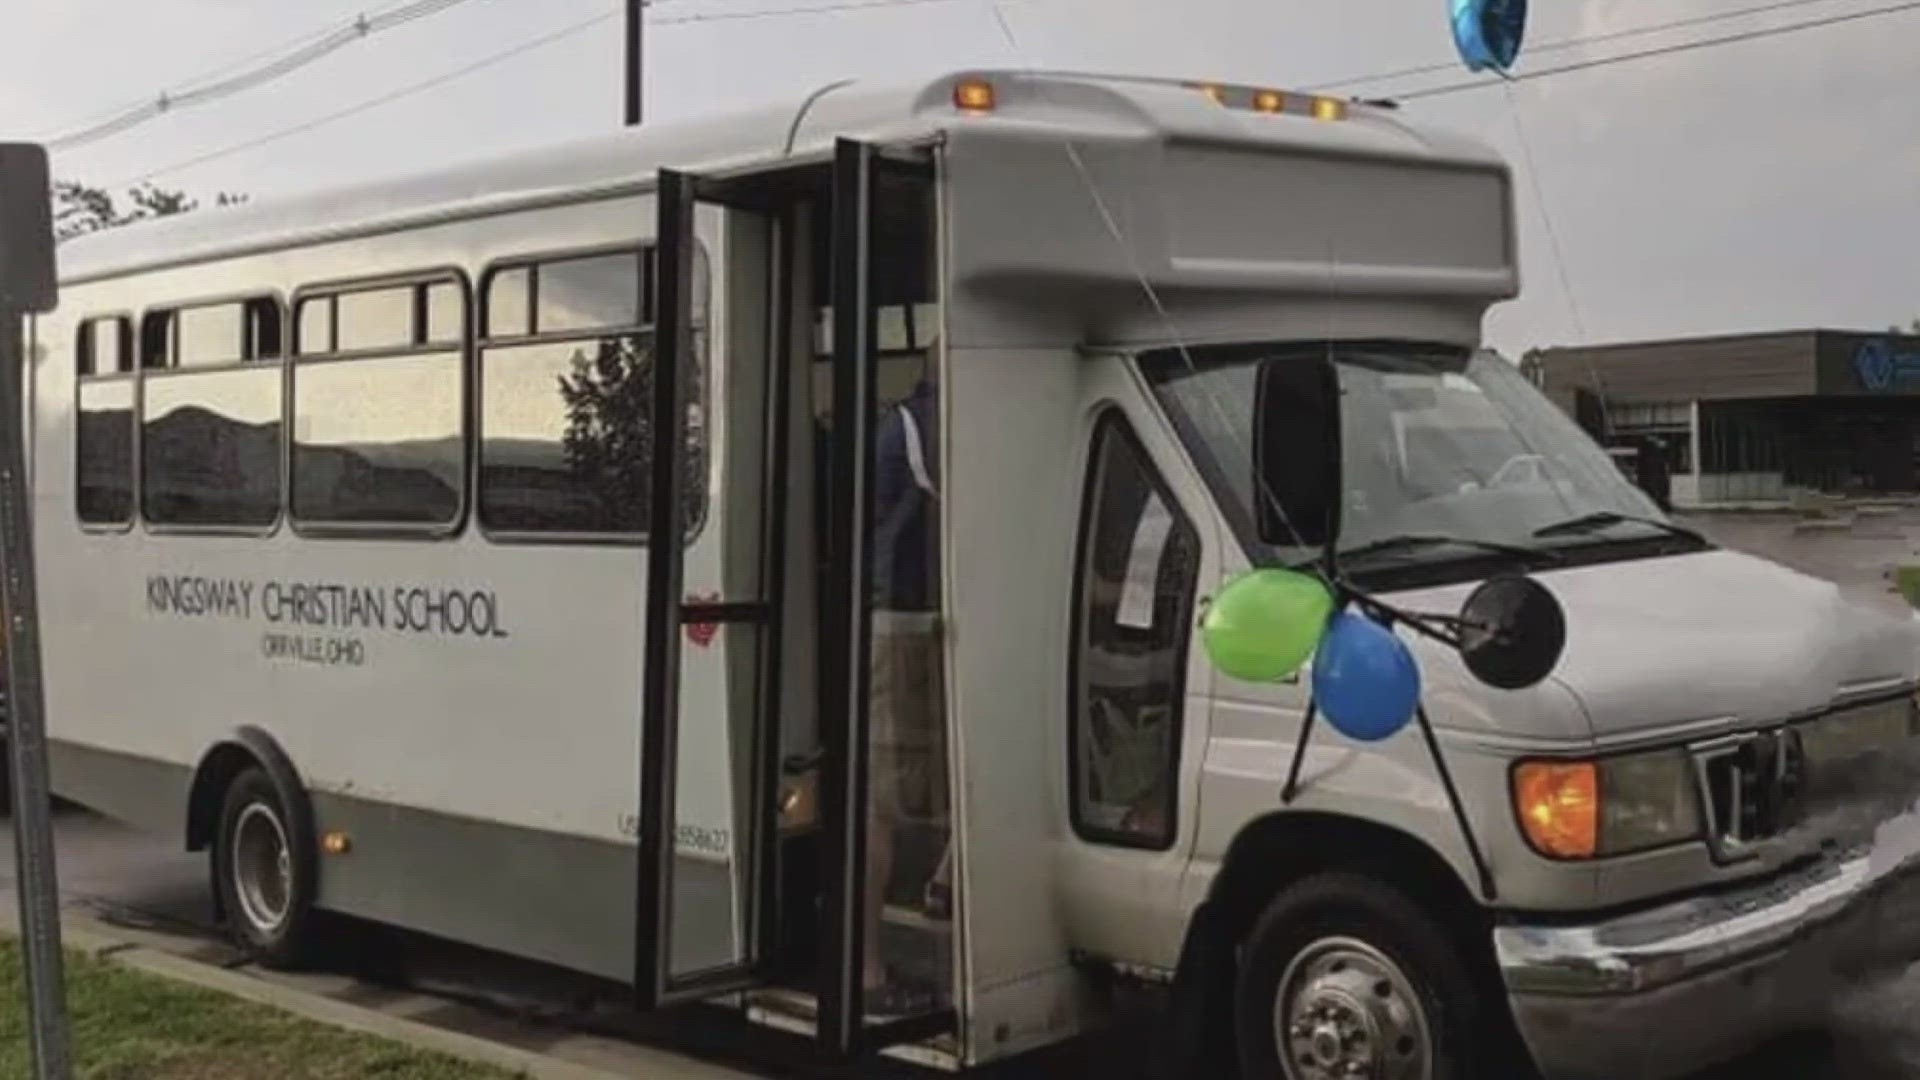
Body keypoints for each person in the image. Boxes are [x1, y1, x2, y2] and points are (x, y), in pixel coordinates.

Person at [865, 375, 951, 1010]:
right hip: (904, 620)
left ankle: (944, 884)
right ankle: (866, 974)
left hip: (917, 621)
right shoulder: (924, 426)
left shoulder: (906, 421)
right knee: (884, 798)